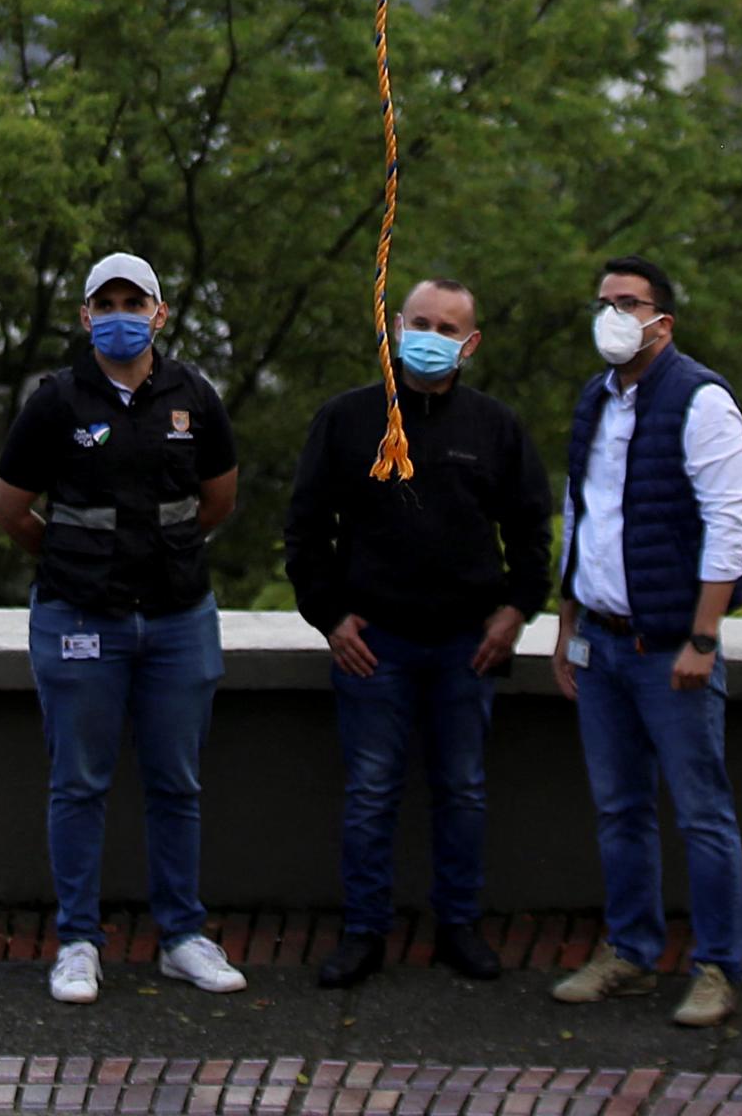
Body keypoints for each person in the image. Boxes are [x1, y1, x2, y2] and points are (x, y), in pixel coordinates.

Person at [0, 253, 249, 1003]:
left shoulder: (193, 396)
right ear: (86, 316)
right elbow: (8, 512)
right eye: (107, 303)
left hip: (176, 621)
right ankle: (77, 941)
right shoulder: (56, 403)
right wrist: (77, 561)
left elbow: (218, 502)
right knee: (78, 782)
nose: (122, 313)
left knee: (177, 782)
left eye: (135, 301)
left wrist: (155, 558)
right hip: (80, 620)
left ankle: (182, 936)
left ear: (160, 313)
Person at [282, 277, 555, 988]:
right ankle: (364, 933)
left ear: (470, 345)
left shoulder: (496, 429)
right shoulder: (346, 421)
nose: (431, 336)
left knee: (462, 789)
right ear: (396, 326)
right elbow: (305, 530)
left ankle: (459, 927)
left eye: (448, 327)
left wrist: (517, 609)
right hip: (375, 646)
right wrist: (330, 617)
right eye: (421, 321)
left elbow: (531, 530)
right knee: (371, 791)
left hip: (469, 644)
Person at [545, 257, 742, 1029]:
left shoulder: (700, 401)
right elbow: (583, 512)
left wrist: (704, 637)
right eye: (603, 303)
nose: (612, 316)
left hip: (670, 646)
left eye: (627, 304)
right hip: (602, 642)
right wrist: (566, 625)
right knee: (619, 809)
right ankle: (630, 952)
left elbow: (729, 526)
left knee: (702, 810)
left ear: (662, 319)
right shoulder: (594, 400)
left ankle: (717, 968)